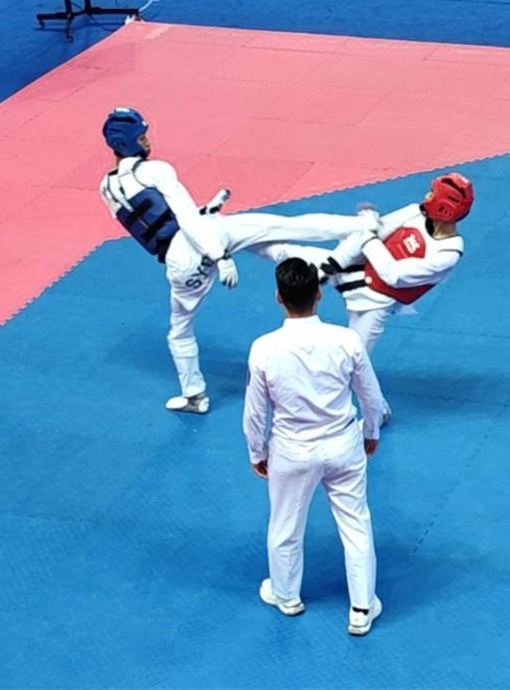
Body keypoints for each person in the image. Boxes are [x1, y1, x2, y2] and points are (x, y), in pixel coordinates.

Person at [98, 107, 382, 414]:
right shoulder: (156, 170)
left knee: (179, 330)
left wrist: (205, 214)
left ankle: (193, 395)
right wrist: (219, 256)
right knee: (281, 229)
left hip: (179, 265)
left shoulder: (106, 189)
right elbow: (186, 219)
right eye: (141, 137)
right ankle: (363, 228)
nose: (147, 141)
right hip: (206, 240)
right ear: (126, 141)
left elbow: (152, 224)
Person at [254, 172, 474, 420]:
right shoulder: (415, 212)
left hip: (374, 303)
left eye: (433, 194)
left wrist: (367, 231)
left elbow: (393, 274)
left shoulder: (446, 253)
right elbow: (376, 232)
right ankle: (233, 237)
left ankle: (378, 413)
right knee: (286, 253)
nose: (427, 196)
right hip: (349, 267)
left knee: (353, 364)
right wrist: (339, 258)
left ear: (445, 208)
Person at [243, 258, 384, 636]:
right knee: (356, 523)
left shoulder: (264, 349)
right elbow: (371, 396)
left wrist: (257, 451)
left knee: (285, 525)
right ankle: (361, 607)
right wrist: (371, 430)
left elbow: (254, 412)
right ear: (319, 293)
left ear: (278, 296)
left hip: (292, 450)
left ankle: (287, 596)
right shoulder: (347, 340)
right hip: (343, 444)